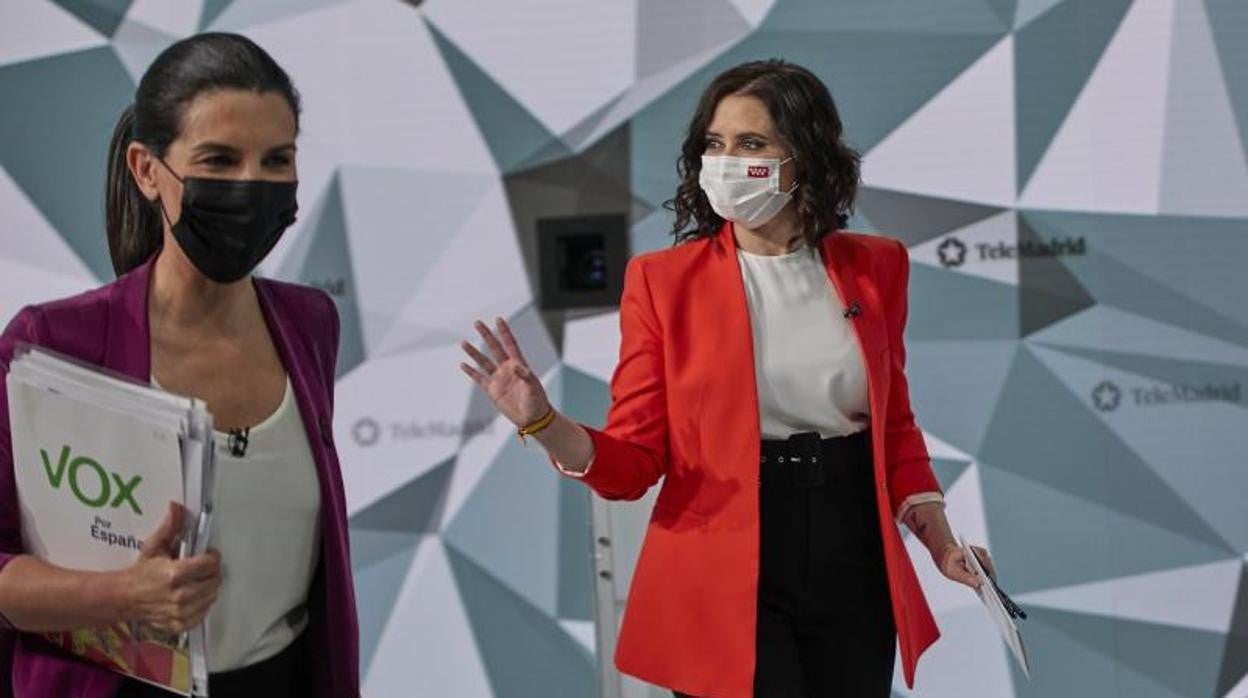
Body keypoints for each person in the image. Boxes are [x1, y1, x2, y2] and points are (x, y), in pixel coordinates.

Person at [461, 59, 997, 698]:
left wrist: (941, 545)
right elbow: (632, 464)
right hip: (724, 555)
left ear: (805, 156)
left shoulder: (877, 267)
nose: (725, 160)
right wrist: (543, 424)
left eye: (751, 143)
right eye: (714, 145)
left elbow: (896, 428)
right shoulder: (663, 283)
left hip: (851, 548)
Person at [0, 33, 358, 697]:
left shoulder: (310, 324)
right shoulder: (52, 341)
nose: (252, 185)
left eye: (276, 160)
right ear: (146, 169)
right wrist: (121, 595)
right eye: (219, 160)